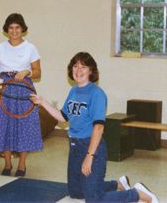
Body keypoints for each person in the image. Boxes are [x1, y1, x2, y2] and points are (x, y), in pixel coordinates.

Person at [31, 52, 159, 203]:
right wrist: (42, 102)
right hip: (75, 147)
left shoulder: (97, 94)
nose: (78, 70)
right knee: (76, 192)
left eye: (83, 67)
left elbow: (98, 129)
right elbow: (63, 117)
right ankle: (117, 184)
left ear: (91, 71)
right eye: (75, 66)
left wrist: (89, 157)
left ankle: (137, 193)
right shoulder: (74, 91)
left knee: (94, 200)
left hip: (92, 147)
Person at [0, 13, 43, 177]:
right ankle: (8, 163)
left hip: (24, 89)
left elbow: (38, 72)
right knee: (5, 125)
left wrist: (27, 72)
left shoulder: (30, 48)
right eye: (11, 27)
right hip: (5, 90)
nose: (14, 31)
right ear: (6, 29)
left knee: (24, 126)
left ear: (23, 29)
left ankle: (22, 165)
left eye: (17, 27)